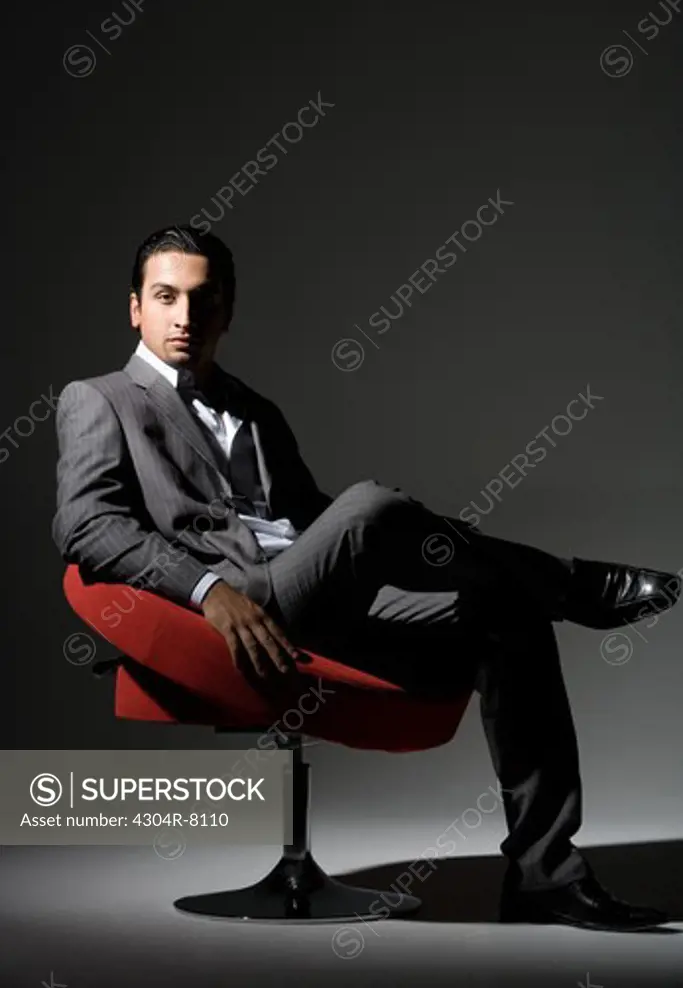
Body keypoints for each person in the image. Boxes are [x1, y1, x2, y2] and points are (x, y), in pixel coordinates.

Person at [52, 224, 680, 931]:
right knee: (372, 505)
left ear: (227, 311)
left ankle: (546, 876)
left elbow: (314, 525)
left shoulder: (256, 411)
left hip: (322, 599)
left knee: (507, 617)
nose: (185, 317)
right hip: (242, 604)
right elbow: (86, 527)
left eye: (203, 300)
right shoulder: (97, 399)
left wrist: (388, 547)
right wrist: (209, 592)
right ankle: (571, 584)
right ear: (135, 308)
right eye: (165, 297)